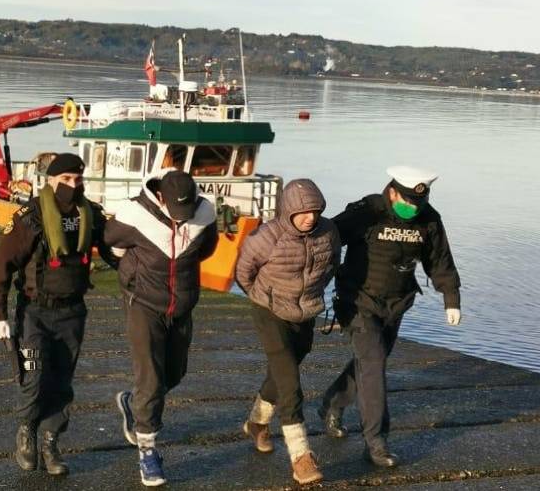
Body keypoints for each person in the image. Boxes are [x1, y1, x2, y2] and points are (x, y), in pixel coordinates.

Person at [0, 153, 117, 476]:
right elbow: (1, 267)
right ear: (51, 182)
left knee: (61, 382)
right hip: (35, 312)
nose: (74, 186)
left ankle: (50, 440)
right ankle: (27, 430)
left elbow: (115, 250)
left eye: (78, 179)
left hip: (73, 312)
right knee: (34, 376)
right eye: (67, 180)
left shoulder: (92, 216)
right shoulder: (32, 218)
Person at [320, 166, 462, 468]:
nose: (412, 207)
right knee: (374, 363)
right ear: (393, 191)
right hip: (357, 301)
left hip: (397, 304)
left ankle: (332, 402)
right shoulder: (368, 211)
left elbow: (439, 260)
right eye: (407, 201)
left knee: (370, 360)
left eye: (418, 203)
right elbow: (327, 238)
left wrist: (451, 298)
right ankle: (376, 442)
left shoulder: (429, 219)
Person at [105, 169, 218, 487]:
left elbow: (207, 248)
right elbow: (110, 239)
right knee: (152, 382)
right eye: (176, 212)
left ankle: (133, 401)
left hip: (182, 306)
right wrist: (127, 267)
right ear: (160, 197)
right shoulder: (135, 214)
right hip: (144, 303)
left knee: (174, 374)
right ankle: (148, 453)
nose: (182, 219)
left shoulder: (205, 213)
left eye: (187, 212)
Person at [235, 179, 340, 485]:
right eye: (304, 211)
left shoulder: (328, 231)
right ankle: (301, 457)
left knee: (286, 369)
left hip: (305, 310)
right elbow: (244, 272)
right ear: (289, 210)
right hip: (269, 310)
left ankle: (256, 422)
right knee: (290, 382)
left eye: (316, 210)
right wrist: (262, 296)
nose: (311, 216)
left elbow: (333, 262)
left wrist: (315, 293)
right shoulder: (266, 237)